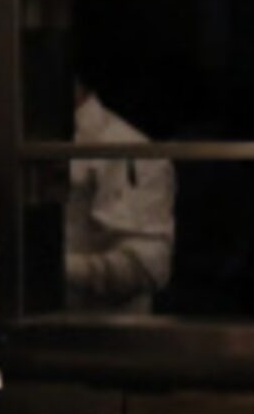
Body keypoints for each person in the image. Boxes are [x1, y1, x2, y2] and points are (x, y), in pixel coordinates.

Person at [67, 81, 175, 313]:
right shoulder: (22, 141)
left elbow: (148, 264)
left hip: (104, 336)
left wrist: (52, 270)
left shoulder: (128, 149)